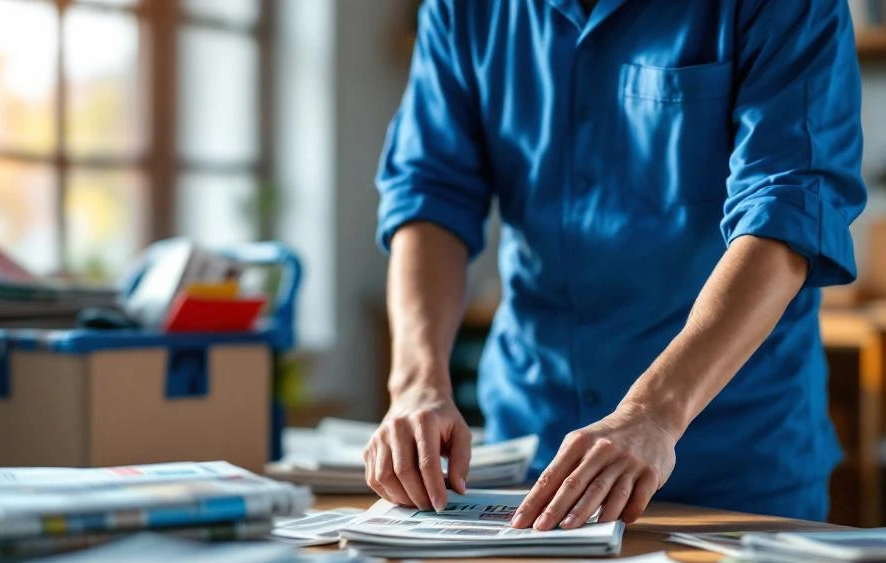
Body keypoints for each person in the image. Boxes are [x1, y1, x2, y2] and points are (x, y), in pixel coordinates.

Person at [365, 0, 866, 528]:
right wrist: (417, 384)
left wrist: (653, 413)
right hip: (533, 452)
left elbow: (787, 213)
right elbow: (431, 196)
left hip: (736, 463)